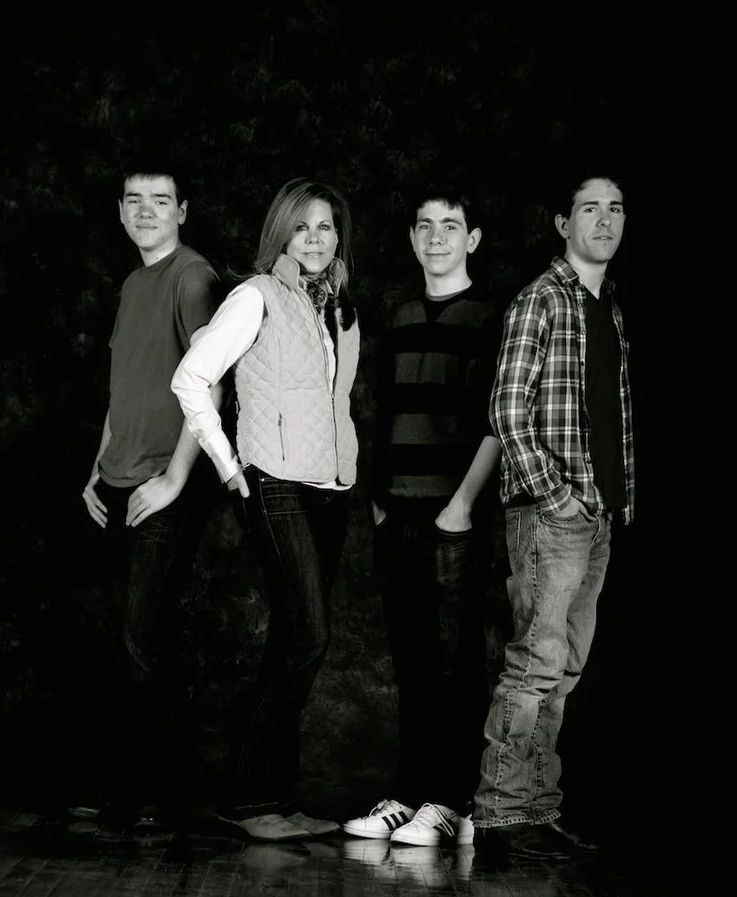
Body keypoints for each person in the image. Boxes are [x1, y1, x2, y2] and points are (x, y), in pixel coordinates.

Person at [171, 177, 361, 843]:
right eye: (302, 226)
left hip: (330, 487)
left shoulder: (338, 304)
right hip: (273, 482)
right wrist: (229, 467)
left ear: (339, 236)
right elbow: (191, 379)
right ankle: (249, 800)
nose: (314, 238)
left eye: (326, 227)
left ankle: (275, 796)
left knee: (292, 639)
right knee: (311, 637)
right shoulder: (254, 297)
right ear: (281, 232)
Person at [472, 171, 634, 862]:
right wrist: (555, 492)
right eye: (589, 208)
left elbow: (609, 414)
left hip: (595, 513)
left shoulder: (610, 308)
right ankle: (503, 814)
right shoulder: (540, 300)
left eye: (616, 208)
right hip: (551, 512)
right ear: (562, 224)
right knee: (535, 666)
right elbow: (507, 409)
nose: (605, 219)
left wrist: (619, 494)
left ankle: (536, 809)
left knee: (564, 669)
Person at [343, 187, 502, 848]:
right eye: (426, 226)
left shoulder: (490, 317)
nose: (437, 236)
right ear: (412, 239)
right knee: (410, 661)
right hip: (397, 510)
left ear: (473, 239)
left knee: (455, 664)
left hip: (454, 516)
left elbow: (498, 421)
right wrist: (378, 501)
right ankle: (409, 795)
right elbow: (379, 409)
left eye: (452, 225)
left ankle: (449, 799)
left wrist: (461, 504)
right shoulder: (400, 314)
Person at [77, 164, 223, 836]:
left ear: (182, 210)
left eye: (160, 201)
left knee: (143, 639)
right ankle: (131, 790)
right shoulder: (133, 283)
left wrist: (173, 481)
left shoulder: (191, 277)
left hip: (164, 480)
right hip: (115, 480)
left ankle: (168, 799)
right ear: (120, 211)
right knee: (127, 641)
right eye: (134, 201)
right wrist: (95, 469)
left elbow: (211, 385)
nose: (146, 211)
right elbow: (123, 389)